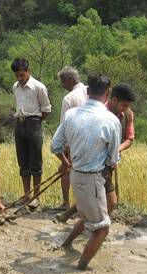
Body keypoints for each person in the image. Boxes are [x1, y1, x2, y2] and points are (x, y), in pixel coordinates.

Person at [51, 74, 121, 270]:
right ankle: (81, 267)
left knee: (87, 215)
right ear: (108, 94)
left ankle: (66, 244)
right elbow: (113, 160)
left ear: (88, 92)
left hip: (75, 175)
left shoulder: (71, 115)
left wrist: (66, 163)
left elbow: (55, 146)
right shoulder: (111, 120)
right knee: (102, 228)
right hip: (93, 179)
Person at [56, 83, 136, 223]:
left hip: (109, 161)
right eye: (123, 105)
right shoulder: (98, 112)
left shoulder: (128, 114)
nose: (125, 109)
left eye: (127, 106)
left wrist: (116, 148)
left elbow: (130, 139)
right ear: (113, 99)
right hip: (94, 162)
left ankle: (77, 220)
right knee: (109, 200)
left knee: (94, 195)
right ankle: (98, 228)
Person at [11, 58, 51, 209]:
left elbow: (46, 110)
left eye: (22, 75)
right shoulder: (15, 87)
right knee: (23, 162)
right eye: (17, 76)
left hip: (34, 123)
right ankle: (26, 195)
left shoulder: (38, 87)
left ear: (28, 71)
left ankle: (36, 197)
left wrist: (35, 121)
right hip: (19, 124)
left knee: (36, 161)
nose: (19, 79)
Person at [57, 66, 88, 210]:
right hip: (91, 142)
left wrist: (64, 150)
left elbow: (64, 126)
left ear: (70, 79)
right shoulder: (90, 92)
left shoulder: (69, 98)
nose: (63, 86)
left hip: (73, 142)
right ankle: (83, 205)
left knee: (66, 170)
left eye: (63, 82)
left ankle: (66, 203)